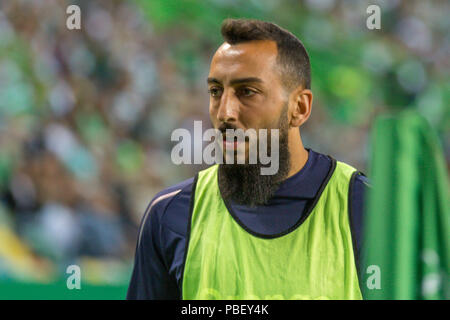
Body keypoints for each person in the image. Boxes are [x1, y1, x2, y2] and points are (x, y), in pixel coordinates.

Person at [127, 18, 369, 300]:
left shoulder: (366, 209)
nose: (225, 112)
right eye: (216, 91)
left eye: (247, 92)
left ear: (299, 108)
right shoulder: (170, 215)